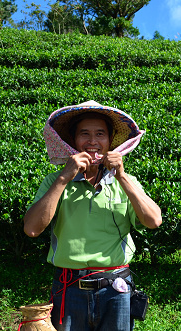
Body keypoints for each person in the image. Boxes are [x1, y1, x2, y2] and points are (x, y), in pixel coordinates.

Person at [24, 101, 162, 331]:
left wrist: (122, 177)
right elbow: (32, 229)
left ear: (110, 142)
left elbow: (154, 221)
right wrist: (63, 178)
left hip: (116, 290)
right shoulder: (54, 182)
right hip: (69, 289)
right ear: (73, 141)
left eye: (100, 134)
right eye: (84, 134)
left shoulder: (126, 182)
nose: (92, 141)